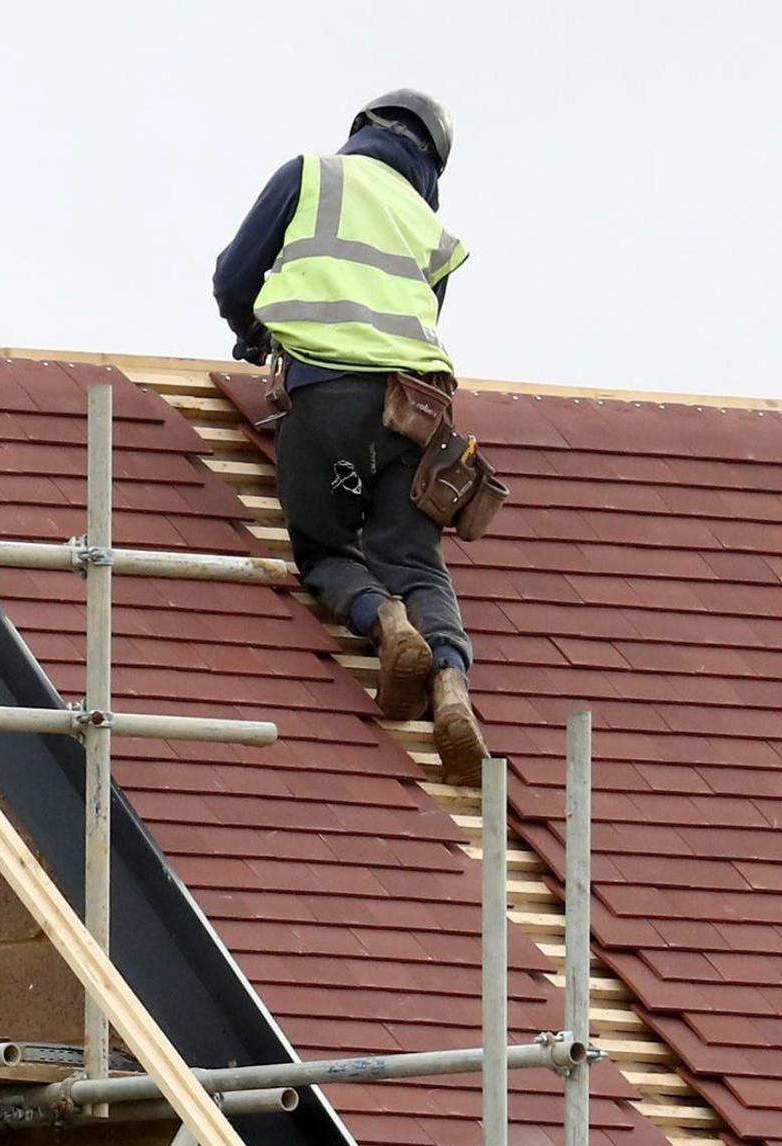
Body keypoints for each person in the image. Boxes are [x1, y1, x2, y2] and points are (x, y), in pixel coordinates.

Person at [213, 90, 486, 783]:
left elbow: (234, 277)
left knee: (326, 543)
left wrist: (256, 336)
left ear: (362, 132)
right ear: (429, 163)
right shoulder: (433, 229)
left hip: (330, 393)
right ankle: (451, 685)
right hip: (419, 408)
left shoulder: (310, 175)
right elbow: (418, 326)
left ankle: (386, 624)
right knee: (415, 555)